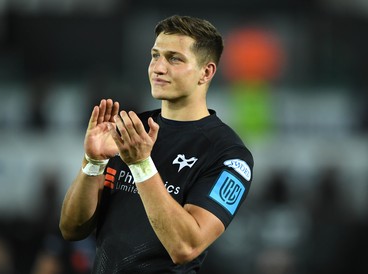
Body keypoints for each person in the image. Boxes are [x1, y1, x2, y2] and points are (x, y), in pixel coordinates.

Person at [60, 15, 254, 273]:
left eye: (174, 58)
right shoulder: (130, 130)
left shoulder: (228, 155)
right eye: (155, 56)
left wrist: (141, 165)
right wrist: (93, 163)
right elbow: (71, 229)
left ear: (205, 72)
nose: (158, 68)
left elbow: (185, 247)